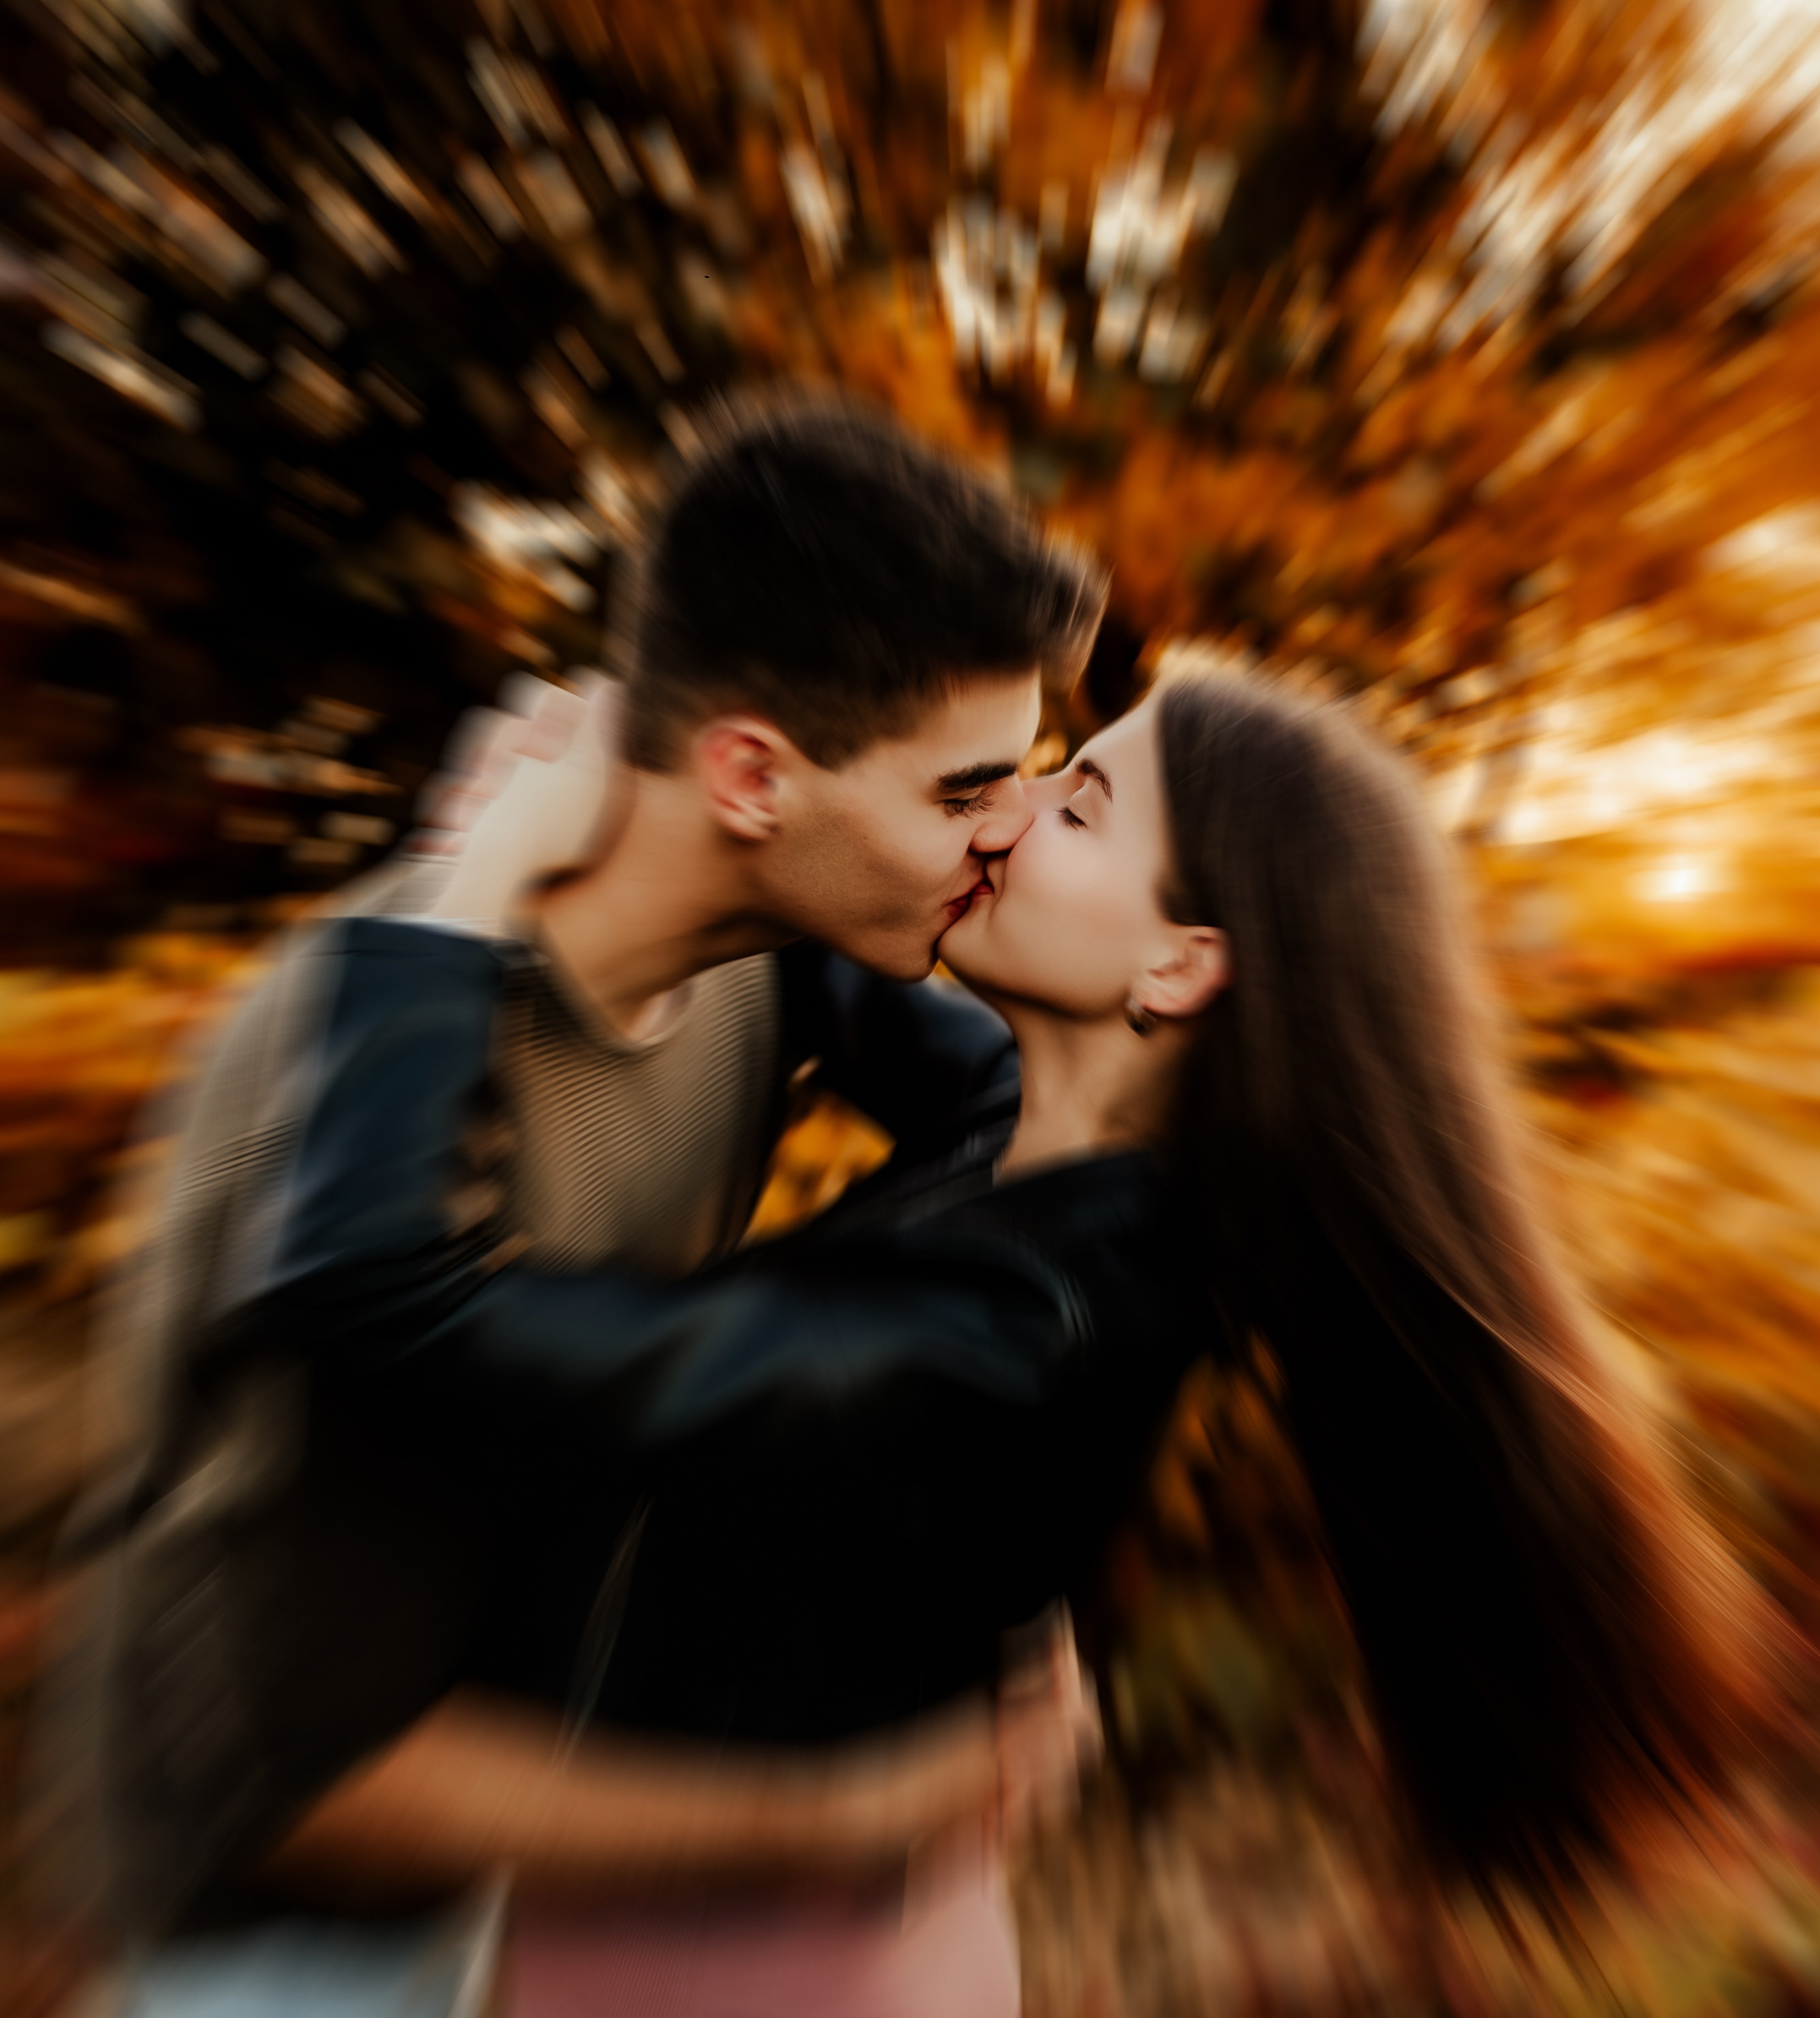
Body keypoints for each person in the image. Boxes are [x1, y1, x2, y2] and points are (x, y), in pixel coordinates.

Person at [242, 662, 1780, 1997]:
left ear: (1177, 967)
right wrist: (692, 747)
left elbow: (380, 1300)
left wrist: (461, 897)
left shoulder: (1012, 1337)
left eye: (1083, 806)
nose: (1013, 805)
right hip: (705, 1919)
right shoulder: (1032, 1126)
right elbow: (816, 921)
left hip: (749, 1975)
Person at [28, 395, 1107, 2002]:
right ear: (748, 774)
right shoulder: (361, 1107)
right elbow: (311, 1783)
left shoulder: (776, 958)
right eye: (964, 791)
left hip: (532, 1854)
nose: (1009, 829)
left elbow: (1042, 1130)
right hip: (285, 1946)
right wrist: (845, 1810)